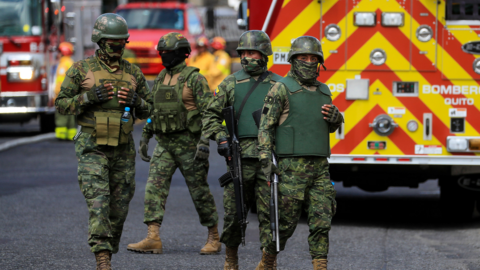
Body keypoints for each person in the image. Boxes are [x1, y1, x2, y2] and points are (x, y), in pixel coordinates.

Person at [55, 13, 153, 270]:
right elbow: (61, 105)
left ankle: (109, 248)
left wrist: (137, 102)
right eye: (112, 40)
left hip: (122, 146)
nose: (117, 46)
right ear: (99, 40)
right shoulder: (81, 69)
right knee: (99, 201)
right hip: (92, 145)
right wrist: (88, 98)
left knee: (119, 207)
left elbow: (149, 110)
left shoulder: (133, 72)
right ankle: (103, 258)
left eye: (121, 41)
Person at [127, 32, 221, 256]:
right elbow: (154, 109)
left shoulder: (195, 79)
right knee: (154, 188)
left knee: (199, 191)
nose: (164, 57)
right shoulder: (160, 78)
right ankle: (153, 237)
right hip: (165, 144)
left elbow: (210, 112)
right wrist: (146, 134)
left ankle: (214, 237)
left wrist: (205, 142)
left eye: (168, 53)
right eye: (162, 53)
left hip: (189, 144)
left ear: (181, 54)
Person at [257, 36, 344, 270]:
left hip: (319, 168)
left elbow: (325, 124)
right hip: (290, 169)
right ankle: (268, 261)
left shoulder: (324, 91)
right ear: (293, 60)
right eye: (303, 58)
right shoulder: (281, 89)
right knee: (285, 223)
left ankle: (320, 265)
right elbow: (266, 126)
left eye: (313, 58)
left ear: (319, 62)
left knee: (322, 220)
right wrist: (265, 158)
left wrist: (337, 119)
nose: (308, 62)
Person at [202, 30, 283, 270]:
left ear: (264, 54)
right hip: (239, 158)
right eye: (244, 53)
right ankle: (231, 260)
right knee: (233, 213)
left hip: (269, 158)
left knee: (271, 214)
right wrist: (221, 138)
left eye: (253, 52)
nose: (248, 57)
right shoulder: (230, 83)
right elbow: (210, 115)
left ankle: (268, 262)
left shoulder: (279, 85)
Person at [53, 42, 76, 140]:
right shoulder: (72, 62)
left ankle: (61, 135)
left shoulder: (63, 64)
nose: (57, 54)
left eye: (59, 52)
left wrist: (57, 94)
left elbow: (61, 81)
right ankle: (71, 135)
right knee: (71, 116)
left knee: (62, 115)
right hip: (72, 94)